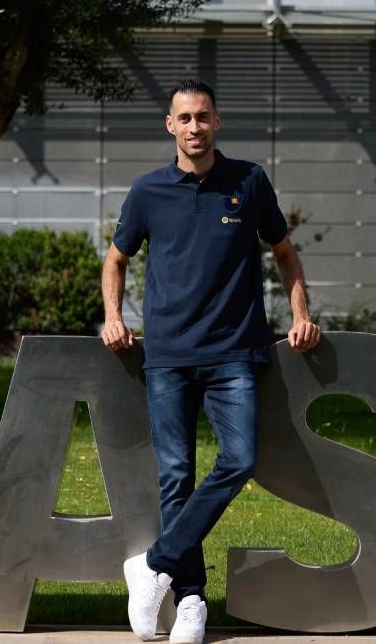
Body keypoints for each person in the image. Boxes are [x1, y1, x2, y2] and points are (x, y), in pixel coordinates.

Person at [100, 79, 321, 644]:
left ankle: (155, 563)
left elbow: (285, 253)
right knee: (175, 475)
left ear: (216, 122)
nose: (194, 127)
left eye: (203, 117)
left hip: (232, 355)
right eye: (185, 118)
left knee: (240, 458)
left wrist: (300, 313)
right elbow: (116, 258)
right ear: (170, 126)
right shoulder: (148, 191)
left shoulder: (248, 181)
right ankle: (192, 599)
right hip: (168, 356)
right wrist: (113, 317)